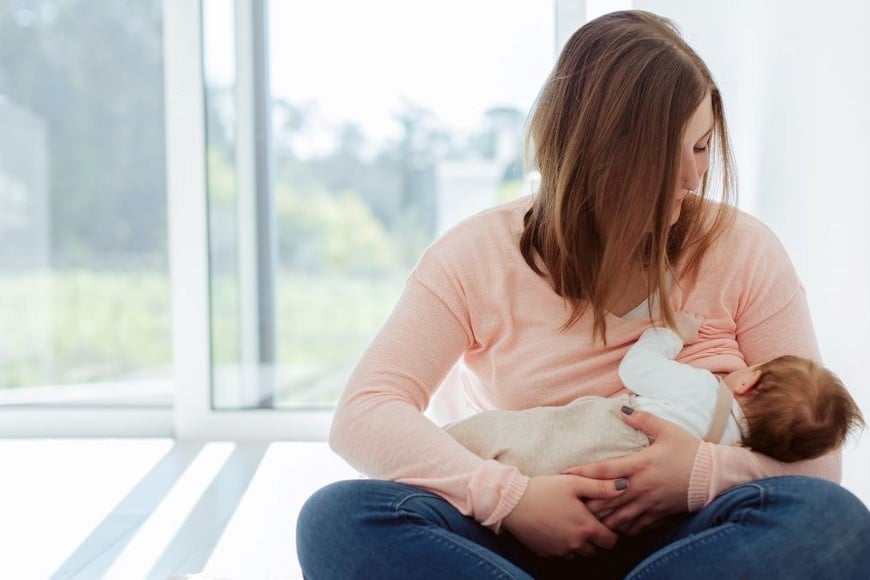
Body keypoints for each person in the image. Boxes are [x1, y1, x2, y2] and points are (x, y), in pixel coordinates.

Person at [296, 9, 870, 579]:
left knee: (830, 521)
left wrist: (702, 474)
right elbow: (364, 413)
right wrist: (511, 500)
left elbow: (819, 463)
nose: (693, 179)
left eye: (700, 149)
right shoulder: (473, 256)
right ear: (597, 154)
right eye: (668, 154)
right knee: (338, 519)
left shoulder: (743, 249)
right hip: (516, 537)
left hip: (692, 537)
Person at [446, 312, 866, 475]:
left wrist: (670, 334)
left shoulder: (704, 389)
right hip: (617, 488)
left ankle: (442, 444)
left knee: (503, 436)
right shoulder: (737, 455)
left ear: (746, 381)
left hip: (600, 433)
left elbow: (638, 368)